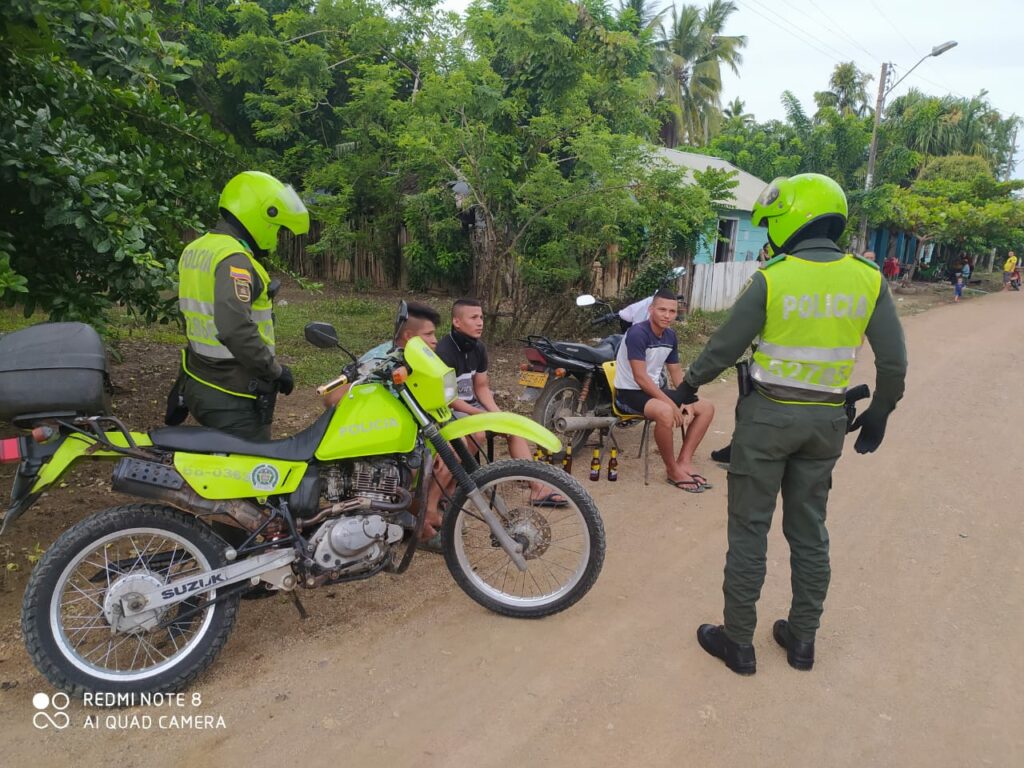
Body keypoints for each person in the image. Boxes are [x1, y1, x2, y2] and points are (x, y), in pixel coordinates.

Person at [681, 173, 907, 675]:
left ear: (792, 218)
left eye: (771, 226)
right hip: (826, 423)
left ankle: (738, 642)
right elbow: (893, 365)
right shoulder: (869, 279)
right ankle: (802, 639)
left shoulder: (774, 277)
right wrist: (878, 416)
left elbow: (724, 347)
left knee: (749, 531)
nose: (769, 238)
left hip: (765, 421)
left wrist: (687, 385)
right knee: (809, 532)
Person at [172, 171, 309, 440]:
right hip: (232, 394)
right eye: (278, 228)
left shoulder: (198, 248)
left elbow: (195, 315)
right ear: (260, 216)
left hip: (199, 379)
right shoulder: (235, 260)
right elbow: (235, 327)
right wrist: (275, 371)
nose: (278, 237)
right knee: (249, 475)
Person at [436, 298, 567, 506]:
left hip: (471, 407)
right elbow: (447, 399)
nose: (480, 322)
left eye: (481, 317)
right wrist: (477, 414)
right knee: (477, 433)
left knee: (511, 427)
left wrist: (497, 414)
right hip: (449, 410)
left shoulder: (478, 348)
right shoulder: (443, 352)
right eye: (473, 318)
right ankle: (453, 486)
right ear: (456, 322)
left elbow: (481, 387)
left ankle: (538, 489)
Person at [613, 288, 716, 492]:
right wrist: (672, 404)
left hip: (652, 392)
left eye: (672, 311)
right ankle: (672, 470)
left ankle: (684, 462)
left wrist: (685, 399)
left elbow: (677, 375)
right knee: (666, 412)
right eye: (662, 310)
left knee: (706, 407)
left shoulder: (670, 336)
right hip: (629, 393)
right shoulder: (637, 333)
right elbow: (641, 378)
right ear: (651, 309)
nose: (667, 315)